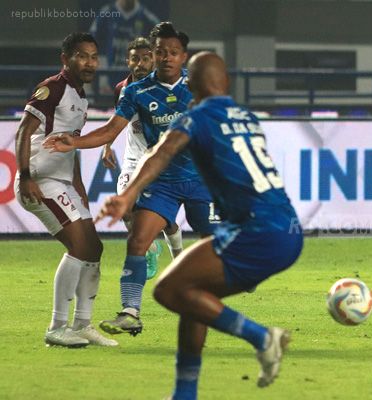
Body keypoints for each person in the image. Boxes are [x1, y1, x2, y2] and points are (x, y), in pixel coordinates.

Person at [96, 51, 303, 397]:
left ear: (191, 85)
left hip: (256, 231)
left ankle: (263, 338)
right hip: (285, 227)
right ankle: (184, 393)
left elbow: (161, 152)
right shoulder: (247, 116)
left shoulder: (198, 116)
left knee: (168, 290)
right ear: (228, 83)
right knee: (195, 296)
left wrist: (127, 194)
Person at [45, 22, 216, 337]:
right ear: (152, 54)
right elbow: (111, 129)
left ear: (183, 56)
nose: (166, 57)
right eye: (160, 51)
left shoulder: (200, 86)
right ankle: (130, 312)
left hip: (200, 178)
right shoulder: (135, 91)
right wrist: (76, 142)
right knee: (138, 240)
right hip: (159, 180)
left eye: (173, 52)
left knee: (213, 245)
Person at [14, 32, 117, 347]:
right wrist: (25, 174)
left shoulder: (81, 97)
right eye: (82, 56)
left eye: (93, 56)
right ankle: (57, 327)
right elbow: (23, 131)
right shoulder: (54, 88)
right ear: (66, 59)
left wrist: (81, 189)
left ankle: (82, 324)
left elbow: (71, 150)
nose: (89, 62)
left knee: (94, 249)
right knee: (79, 247)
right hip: (40, 181)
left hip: (63, 183)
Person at [101, 36, 184, 280]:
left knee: (167, 221)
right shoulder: (122, 89)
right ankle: (150, 249)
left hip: (161, 159)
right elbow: (116, 121)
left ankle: (179, 258)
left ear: (154, 59)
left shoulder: (165, 86)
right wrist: (107, 147)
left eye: (146, 58)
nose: (141, 63)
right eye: (135, 58)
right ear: (128, 61)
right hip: (134, 158)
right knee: (125, 208)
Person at [90, 0, 160, 93]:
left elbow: (159, 49)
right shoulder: (107, 13)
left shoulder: (147, 17)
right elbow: (91, 46)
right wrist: (102, 80)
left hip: (138, 83)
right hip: (109, 83)